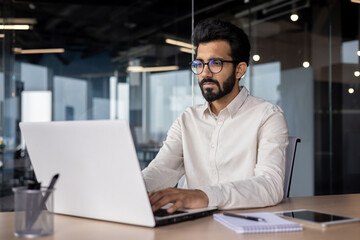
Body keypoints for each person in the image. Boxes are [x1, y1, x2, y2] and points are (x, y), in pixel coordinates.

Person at [142, 18, 289, 213]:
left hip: (243, 226)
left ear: (239, 70)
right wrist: (131, 189)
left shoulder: (268, 116)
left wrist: (203, 196)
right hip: (192, 226)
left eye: (215, 63)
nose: (205, 73)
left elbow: (270, 186)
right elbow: (161, 170)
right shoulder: (188, 119)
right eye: (199, 64)